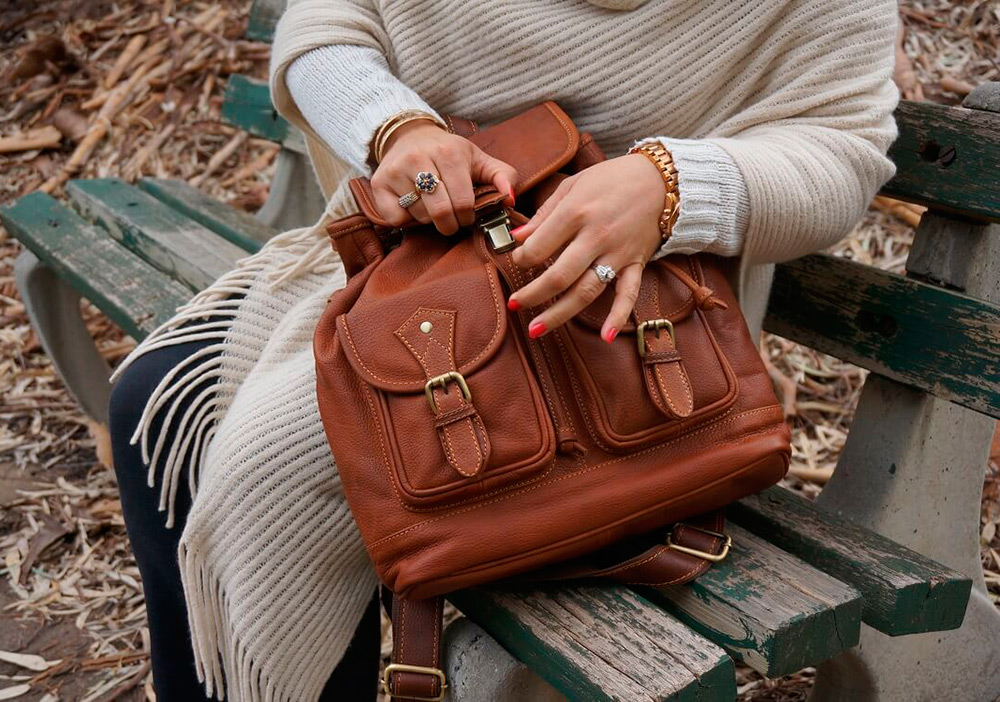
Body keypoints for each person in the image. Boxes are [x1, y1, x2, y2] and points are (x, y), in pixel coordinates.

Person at [108, 0, 900, 700]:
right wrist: (395, 125)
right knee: (148, 395)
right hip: (421, 274)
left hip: (619, 344)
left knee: (273, 463)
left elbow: (842, 146)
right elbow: (326, 24)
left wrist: (669, 188)